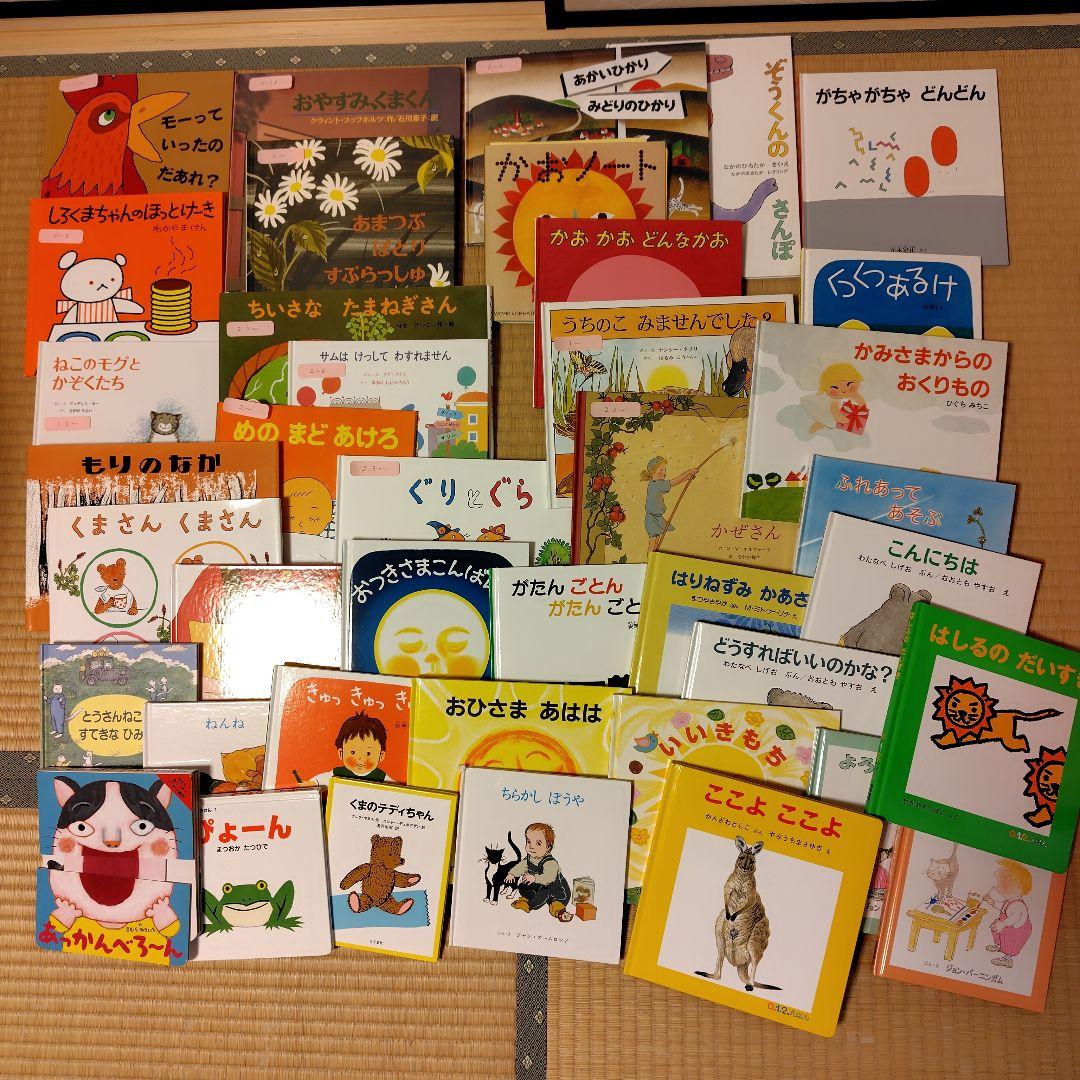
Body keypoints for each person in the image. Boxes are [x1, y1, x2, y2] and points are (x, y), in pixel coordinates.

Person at [507, 822, 573, 922]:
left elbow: (548, 878)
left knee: (547, 896)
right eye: (529, 842)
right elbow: (521, 866)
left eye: (538, 843)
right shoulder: (530, 858)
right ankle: (528, 899)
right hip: (540, 886)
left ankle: (558, 912)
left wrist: (534, 878)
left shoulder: (550, 862)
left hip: (556, 891)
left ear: (548, 847)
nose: (531, 846)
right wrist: (512, 874)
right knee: (523, 886)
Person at [640, 456, 698, 551]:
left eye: (664, 470)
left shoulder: (654, 483)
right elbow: (673, 482)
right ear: (653, 471)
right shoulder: (657, 485)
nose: (664, 473)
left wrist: (687, 478)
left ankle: (653, 558)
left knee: (656, 543)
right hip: (652, 519)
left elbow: (672, 484)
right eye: (661, 470)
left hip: (656, 518)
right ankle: (650, 559)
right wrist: (689, 472)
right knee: (653, 542)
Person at [985, 859, 1034, 968]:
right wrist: (992, 902)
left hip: (1015, 931)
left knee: (1010, 943)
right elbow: (1003, 908)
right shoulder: (1010, 901)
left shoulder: (1018, 904)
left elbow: (1015, 917)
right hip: (1006, 926)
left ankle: (1008, 959)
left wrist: (1003, 923)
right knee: (999, 934)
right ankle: (1000, 946)